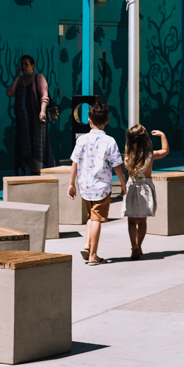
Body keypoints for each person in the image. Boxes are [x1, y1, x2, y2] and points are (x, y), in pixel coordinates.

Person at [68, 99, 127, 266]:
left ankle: (87, 244)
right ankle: (93, 255)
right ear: (107, 121)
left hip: (85, 186)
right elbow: (116, 165)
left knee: (90, 216)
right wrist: (122, 183)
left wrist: (71, 184)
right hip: (101, 188)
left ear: (89, 120)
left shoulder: (81, 140)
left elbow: (75, 162)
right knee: (96, 219)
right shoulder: (110, 141)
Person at [123, 124, 170, 259]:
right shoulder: (150, 155)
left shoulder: (127, 157)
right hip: (145, 189)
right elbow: (165, 150)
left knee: (131, 221)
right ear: (145, 140)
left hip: (132, 188)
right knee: (142, 221)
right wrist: (162, 135)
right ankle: (140, 245)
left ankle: (134, 246)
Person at [6, 54, 51, 175]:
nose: (24, 66)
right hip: (23, 120)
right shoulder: (20, 80)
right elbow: (9, 92)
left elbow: (44, 96)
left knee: (37, 144)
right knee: (26, 146)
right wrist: (16, 77)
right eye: (22, 64)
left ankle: (39, 171)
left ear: (32, 65)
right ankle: (33, 170)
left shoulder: (38, 78)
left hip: (36, 118)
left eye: (27, 64)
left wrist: (42, 111)